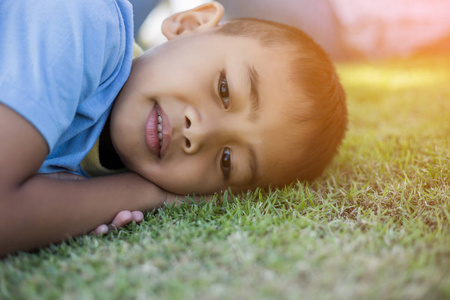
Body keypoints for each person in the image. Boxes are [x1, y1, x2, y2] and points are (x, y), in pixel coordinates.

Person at [0, 0, 346, 256]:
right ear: (189, 24)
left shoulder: (101, 156)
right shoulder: (83, 20)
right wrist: (146, 195)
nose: (201, 133)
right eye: (224, 89)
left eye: (227, 160)